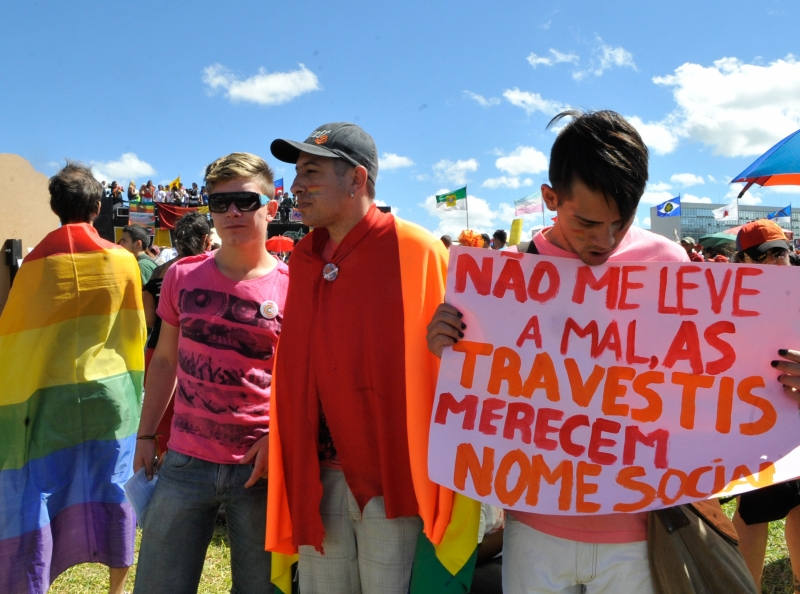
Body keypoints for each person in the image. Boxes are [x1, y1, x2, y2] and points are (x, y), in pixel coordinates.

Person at [427, 110, 691, 593]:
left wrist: (774, 376)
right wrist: (443, 344)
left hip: (640, 529)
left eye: (621, 221)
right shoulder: (503, 281)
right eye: (587, 222)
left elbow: (710, 383)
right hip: (535, 527)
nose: (605, 241)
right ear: (551, 199)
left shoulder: (670, 264)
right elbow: (475, 392)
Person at [266, 122, 473, 593]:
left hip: (394, 486)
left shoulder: (416, 249)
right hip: (316, 480)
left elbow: (462, 364)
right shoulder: (303, 258)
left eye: (311, 172)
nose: (296, 186)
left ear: (357, 180)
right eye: (297, 172)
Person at [132, 152, 286, 594]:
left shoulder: (292, 287)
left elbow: (300, 381)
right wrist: (145, 437)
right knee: (158, 586)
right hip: (184, 461)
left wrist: (277, 437)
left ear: (271, 206)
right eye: (220, 203)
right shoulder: (182, 275)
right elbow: (164, 362)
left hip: (258, 470)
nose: (233, 212)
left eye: (245, 200)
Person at [0, 162, 145, 594]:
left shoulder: (35, 267)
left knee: (42, 485)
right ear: (98, 207)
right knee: (114, 482)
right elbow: (133, 330)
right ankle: (116, 587)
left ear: (55, 208)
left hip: (48, 400)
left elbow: (17, 337)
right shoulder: (123, 262)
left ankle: (36, 579)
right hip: (111, 396)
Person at [730, 218, 800, 590]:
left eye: (780, 252)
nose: (775, 261)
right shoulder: (724, 302)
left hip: (796, 422)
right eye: (763, 255)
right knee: (755, 511)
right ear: (743, 261)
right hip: (752, 422)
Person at [142, 212, 211, 457]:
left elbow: (150, 321)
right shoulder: (209, 271)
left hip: (156, 352)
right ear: (206, 240)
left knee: (161, 426)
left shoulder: (159, 272)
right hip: (193, 357)